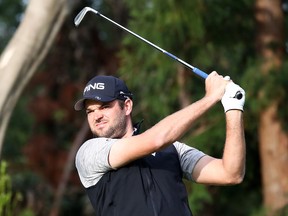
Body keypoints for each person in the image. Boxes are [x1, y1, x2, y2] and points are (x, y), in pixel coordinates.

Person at [74, 72, 246, 216]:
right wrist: (211, 97)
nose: (96, 116)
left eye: (104, 107)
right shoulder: (90, 153)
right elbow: (156, 140)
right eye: (90, 111)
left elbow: (230, 173)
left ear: (127, 106)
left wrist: (233, 107)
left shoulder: (173, 150)